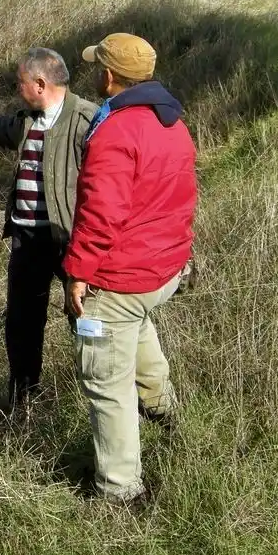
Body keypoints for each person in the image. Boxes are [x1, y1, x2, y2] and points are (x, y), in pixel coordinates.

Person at [62, 32, 198, 504]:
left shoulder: (117, 131)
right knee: (136, 327)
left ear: (108, 75)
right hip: (162, 271)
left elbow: (101, 213)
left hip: (117, 278)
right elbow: (180, 200)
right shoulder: (173, 125)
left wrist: (78, 272)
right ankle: (165, 412)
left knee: (105, 382)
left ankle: (119, 492)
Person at [0, 46, 97, 412]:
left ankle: (96, 400)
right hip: (27, 241)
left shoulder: (88, 121)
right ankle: (24, 402)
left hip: (68, 242)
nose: (16, 89)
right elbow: (2, 128)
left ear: (39, 83)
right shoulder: (28, 120)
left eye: (20, 83)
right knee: (22, 325)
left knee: (83, 323)